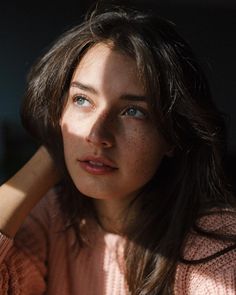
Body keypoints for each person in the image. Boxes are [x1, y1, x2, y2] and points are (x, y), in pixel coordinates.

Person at [0, 4, 236, 294]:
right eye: (82, 100)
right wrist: (51, 150)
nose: (97, 135)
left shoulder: (215, 245)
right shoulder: (52, 217)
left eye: (133, 111)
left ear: (174, 136)